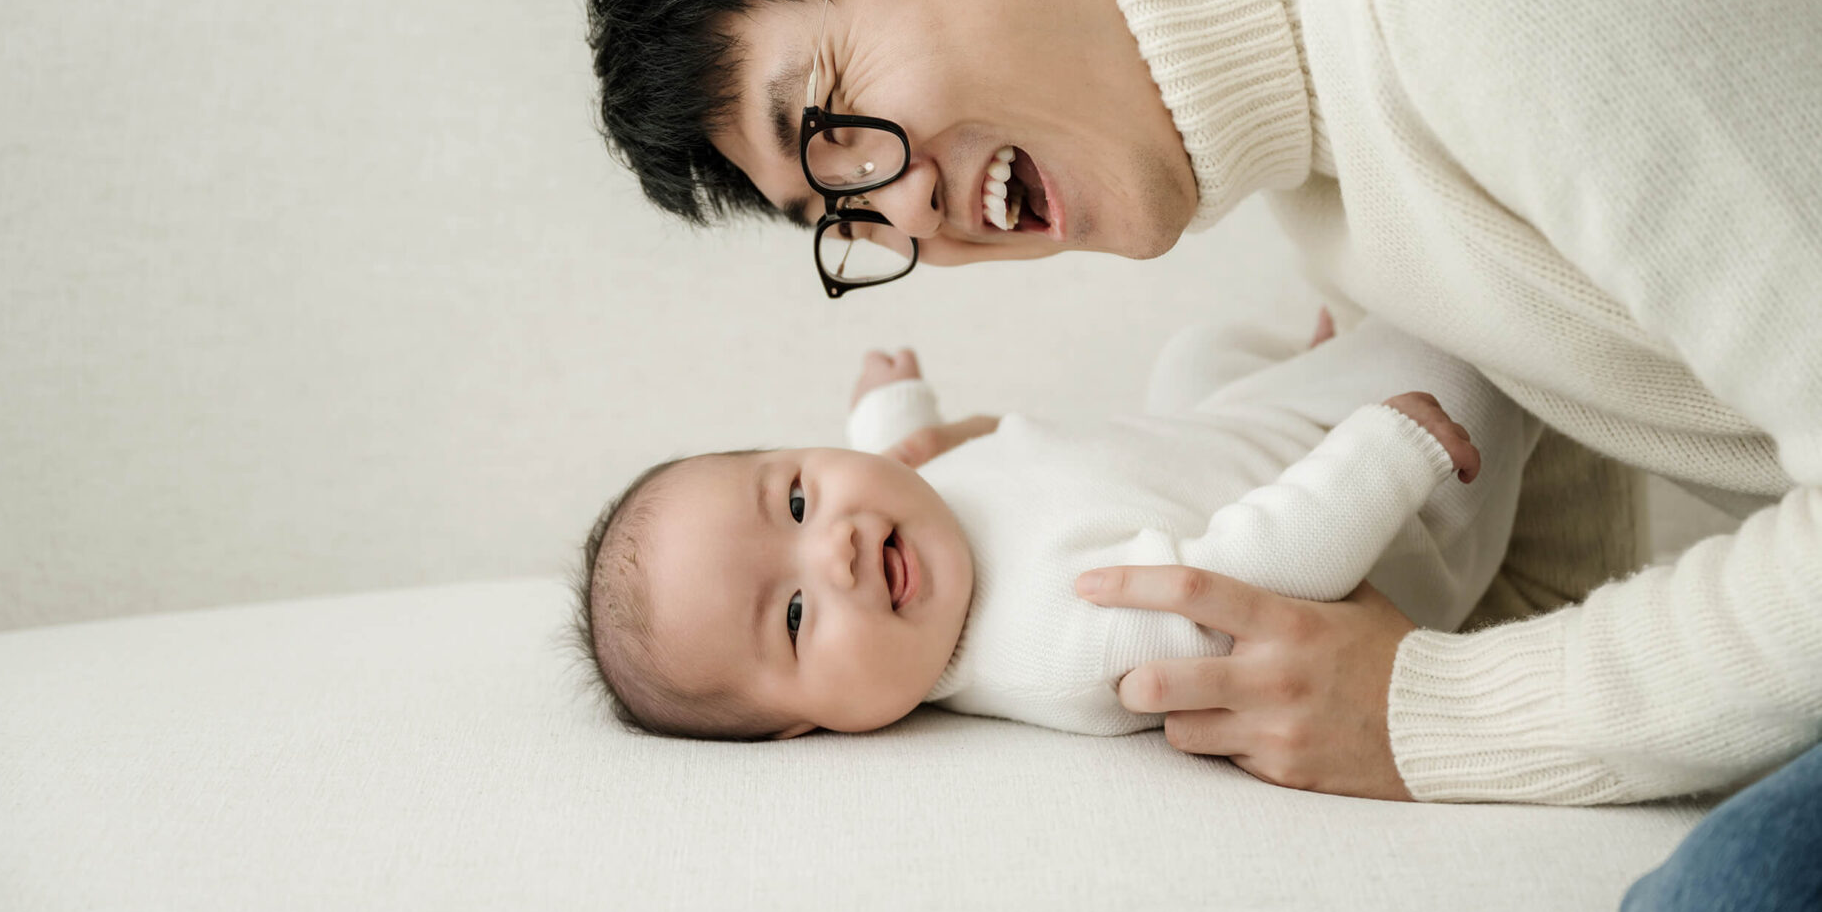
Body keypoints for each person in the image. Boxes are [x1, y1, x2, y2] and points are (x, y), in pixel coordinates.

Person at [580, 0, 1821, 912]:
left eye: (836, 121)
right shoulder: (1324, 175)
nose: (905, 213)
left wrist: (1433, 714)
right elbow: (1543, 469)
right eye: (842, 210)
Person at [578, 319, 1531, 740]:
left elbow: (892, 461)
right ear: (807, 726)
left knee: (1193, 353)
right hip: (1388, 522)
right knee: (1465, 359)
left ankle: (1308, 355)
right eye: (793, 617)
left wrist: (887, 407)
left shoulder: (900, 514)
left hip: (1230, 431)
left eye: (793, 498)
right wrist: (1387, 453)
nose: (835, 548)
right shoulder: (1056, 643)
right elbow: (1254, 577)